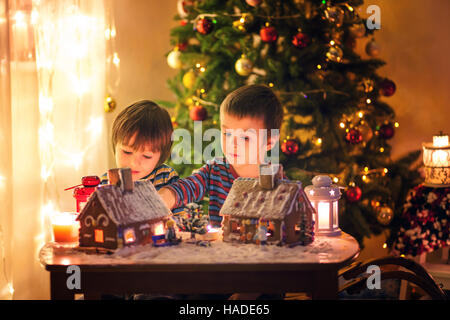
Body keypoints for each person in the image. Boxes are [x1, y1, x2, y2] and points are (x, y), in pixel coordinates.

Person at [158, 84, 285, 300]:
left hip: (259, 275)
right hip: (219, 268)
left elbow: (280, 249)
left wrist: (249, 292)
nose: (232, 145)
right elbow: (190, 185)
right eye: (227, 133)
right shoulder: (216, 169)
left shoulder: (275, 184)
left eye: (245, 138)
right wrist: (166, 197)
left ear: (269, 142)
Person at [100, 100, 179, 189]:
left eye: (147, 156)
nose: (134, 163)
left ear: (161, 157)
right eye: (127, 152)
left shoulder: (166, 178)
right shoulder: (106, 181)